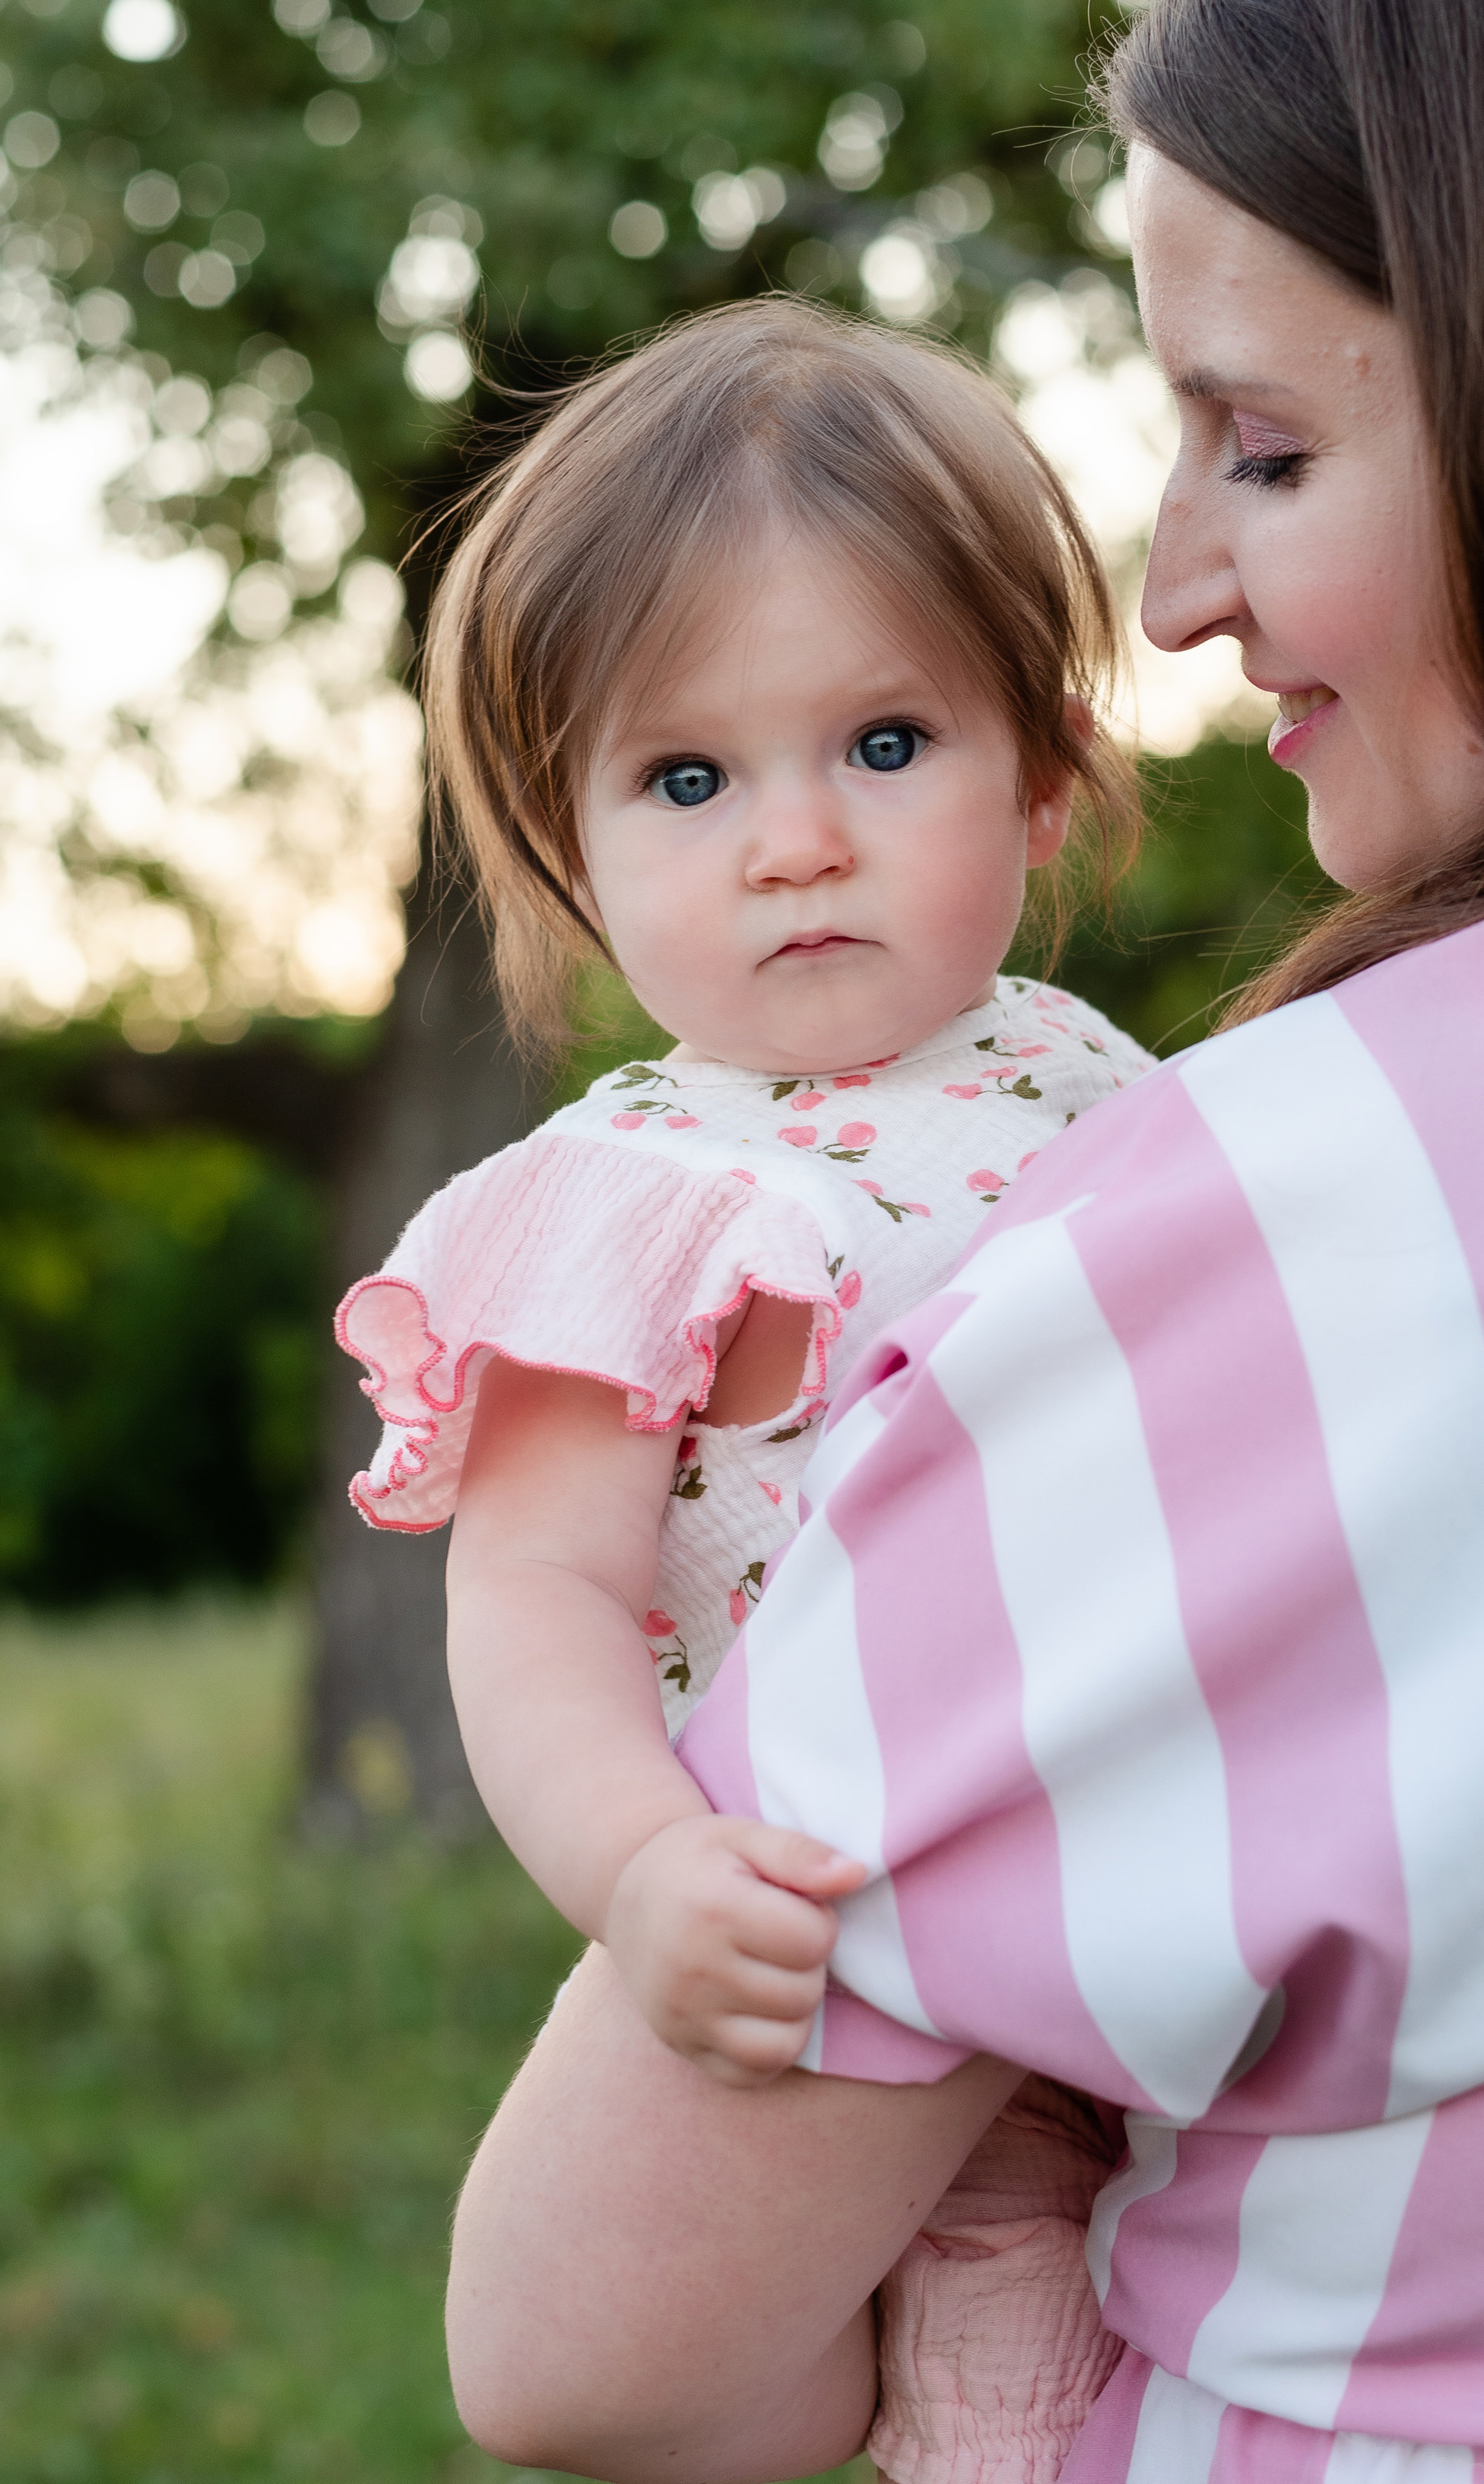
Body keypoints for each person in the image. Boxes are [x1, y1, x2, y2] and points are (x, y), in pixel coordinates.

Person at [442, 0, 1484, 2484]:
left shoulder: (1294, 1213)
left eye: (1266, 443)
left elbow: (588, 2352)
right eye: (682, 777)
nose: (1171, 588)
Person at [334, 298, 1149, 2482]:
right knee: (1015, 2376)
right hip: (861, 1945)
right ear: (572, 841)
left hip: (1180, 1886)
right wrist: (643, 1876)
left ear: (1042, 764)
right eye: (687, 780)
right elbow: (539, 1600)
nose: (793, 840)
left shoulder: (1102, 1089)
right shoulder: (636, 1200)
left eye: (883, 742)